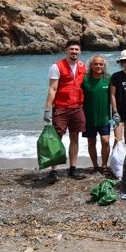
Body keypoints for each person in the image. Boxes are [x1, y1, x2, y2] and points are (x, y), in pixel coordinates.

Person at [43, 39, 87, 183]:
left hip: (77, 108)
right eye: (71, 49)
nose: (74, 52)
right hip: (61, 109)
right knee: (57, 139)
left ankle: (72, 169)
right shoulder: (56, 67)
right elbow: (52, 89)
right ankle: (53, 171)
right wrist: (47, 110)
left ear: (80, 52)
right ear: (66, 50)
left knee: (75, 138)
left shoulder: (83, 66)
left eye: (76, 49)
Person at [81, 55, 112, 174]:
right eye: (96, 64)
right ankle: (95, 166)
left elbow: (115, 96)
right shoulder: (84, 79)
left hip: (104, 117)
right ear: (91, 66)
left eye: (101, 64)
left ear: (104, 66)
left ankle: (104, 165)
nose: (98, 66)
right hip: (88, 118)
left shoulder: (108, 79)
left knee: (105, 141)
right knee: (91, 142)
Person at [109, 49, 126, 147]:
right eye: (125, 61)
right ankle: (115, 161)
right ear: (122, 63)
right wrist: (115, 111)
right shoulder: (116, 76)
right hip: (118, 111)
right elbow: (112, 94)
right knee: (118, 139)